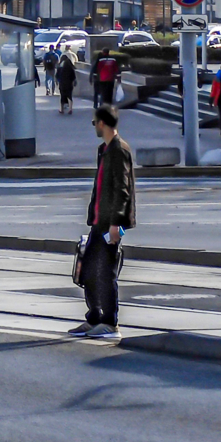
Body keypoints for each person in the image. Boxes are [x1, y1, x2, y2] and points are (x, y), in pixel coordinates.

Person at [70, 106, 135, 340]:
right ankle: (95, 317)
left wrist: (116, 223)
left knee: (106, 273)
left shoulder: (119, 150)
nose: (94, 126)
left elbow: (122, 189)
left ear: (103, 124)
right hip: (98, 222)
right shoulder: (104, 150)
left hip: (110, 224)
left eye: (94, 122)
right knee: (87, 270)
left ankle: (110, 322)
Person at [56, 47, 78, 115]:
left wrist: (57, 82)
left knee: (62, 96)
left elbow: (57, 76)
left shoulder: (60, 68)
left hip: (62, 84)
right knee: (69, 96)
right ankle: (70, 108)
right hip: (69, 84)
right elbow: (73, 76)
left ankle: (62, 109)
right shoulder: (70, 68)